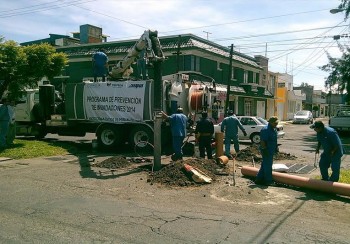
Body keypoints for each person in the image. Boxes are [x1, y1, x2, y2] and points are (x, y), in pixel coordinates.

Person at [255, 116, 279, 186]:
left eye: (277, 123)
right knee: (268, 165)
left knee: (264, 165)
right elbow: (263, 141)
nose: (276, 124)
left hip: (271, 150)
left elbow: (274, 140)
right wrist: (264, 150)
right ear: (270, 123)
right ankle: (268, 181)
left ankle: (258, 179)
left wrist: (276, 148)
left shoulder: (273, 129)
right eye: (275, 123)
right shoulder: (266, 130)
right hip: (266, 150)